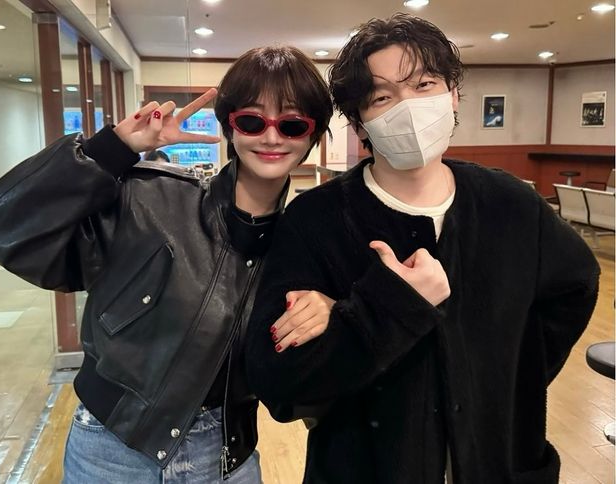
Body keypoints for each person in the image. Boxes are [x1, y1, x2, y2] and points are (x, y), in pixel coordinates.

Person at [245, 13, 600, 484]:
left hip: (500, 463)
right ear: (360, 124)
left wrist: (506, 379)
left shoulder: (511, 204)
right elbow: (276, 380)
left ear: (453, 96)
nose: (408, 107)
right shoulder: (316, 220)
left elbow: (575, 288)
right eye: (382, 97)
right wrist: (381, 309)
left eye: (424, 84)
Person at [0, 45, 332, 483]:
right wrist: (111, 150)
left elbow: (302, 384)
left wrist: (330, 313)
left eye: (292, 124)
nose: (272, 138)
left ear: (312, 136)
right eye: (253, 121)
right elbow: (1, 227)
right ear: (230, 127)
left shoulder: (308, 244)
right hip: (112, 452)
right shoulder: (148, 198)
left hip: (227, 456)